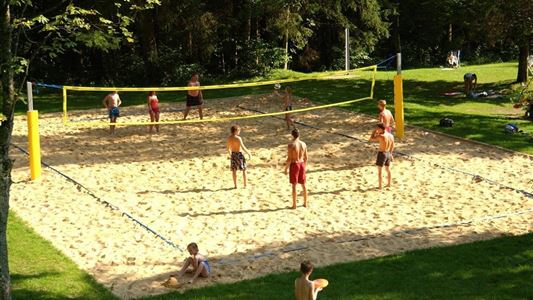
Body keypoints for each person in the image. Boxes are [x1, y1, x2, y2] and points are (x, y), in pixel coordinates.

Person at [285, 128, 308, 209]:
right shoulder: (304, 144)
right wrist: (304, 166)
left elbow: (289, 159)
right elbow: (306, 157)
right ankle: (305, 203)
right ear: (299, 134)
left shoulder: (291, 145)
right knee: (303, 184)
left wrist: (286, 169)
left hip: (295, 164)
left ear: (292, 135)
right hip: (301, 163)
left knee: (294, 185)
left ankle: (294, 205)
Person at [369, 123, 395, 189]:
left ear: (380, 129)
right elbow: (392, 146)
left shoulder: (381, 136)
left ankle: (380, 186)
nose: (377, 130)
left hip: (382, 154)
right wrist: (391, 154)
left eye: (377, 128)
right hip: (388, 153)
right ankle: (389, 183)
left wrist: (374, 132)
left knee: (380, 171)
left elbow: (371, 139)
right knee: (388, 169)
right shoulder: (391, 135)